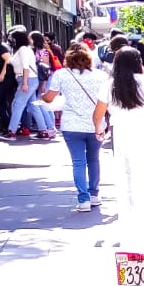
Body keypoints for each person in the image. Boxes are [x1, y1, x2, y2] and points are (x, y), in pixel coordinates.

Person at [40, 43, 107, 211]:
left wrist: (42, 95)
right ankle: (94, 194)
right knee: (94, 159)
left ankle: (83, 199)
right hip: (95, 124)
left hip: (71, 125)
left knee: (78, 162)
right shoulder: (101, 76)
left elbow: (49, 98)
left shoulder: (61, 75)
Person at [105, 45, 144, 227]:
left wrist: (99, 128)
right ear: (138, 62)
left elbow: (99, 111)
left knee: (125, 172)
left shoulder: (111, 84)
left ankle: (129, 209)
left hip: (121, 132)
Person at [6, 28, 53, 139]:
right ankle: (43, 130)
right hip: (29, 80)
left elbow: (25, 67)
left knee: (17, 105)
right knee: (33, 106)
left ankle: (11, 131)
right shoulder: (25, 49)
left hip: (26, 79)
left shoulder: (22, 49)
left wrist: (24, 83)